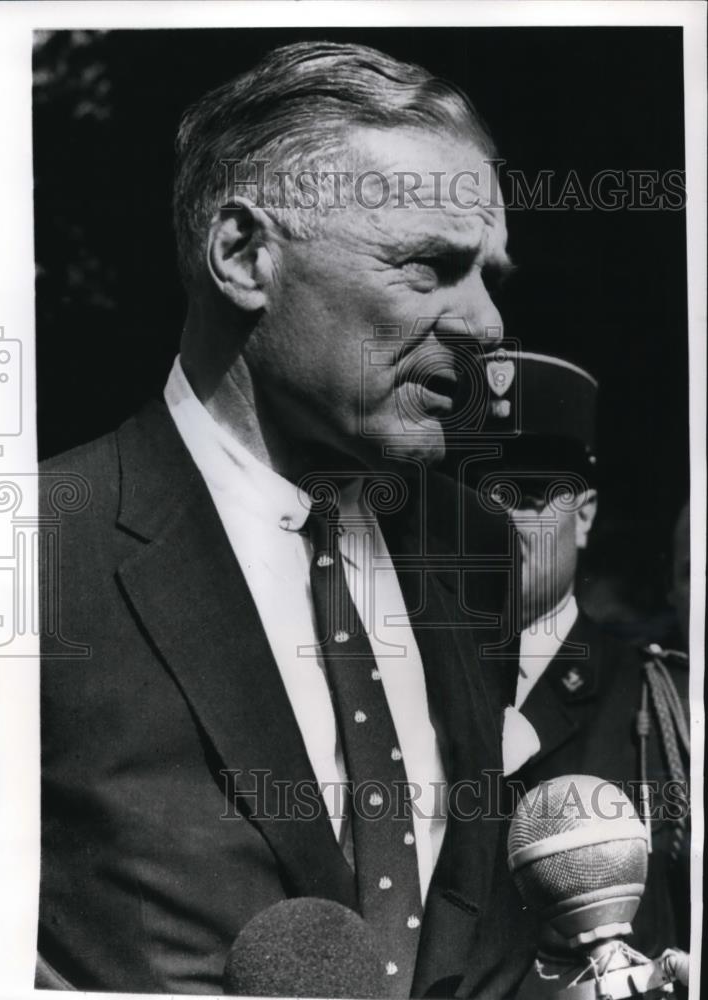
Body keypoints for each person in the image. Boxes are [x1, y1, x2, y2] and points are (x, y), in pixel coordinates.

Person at [37, 42, 531, 998]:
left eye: (491, 277)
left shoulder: (476, 548)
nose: (485, 324)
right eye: (431, 265)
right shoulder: (32, 548)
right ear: (243, 255)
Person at [466, 351, 690, 961]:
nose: (502, 519)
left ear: (584, 515)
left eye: (531, 496)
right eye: (481, 492)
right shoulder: (412, 681)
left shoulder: (654, 696)